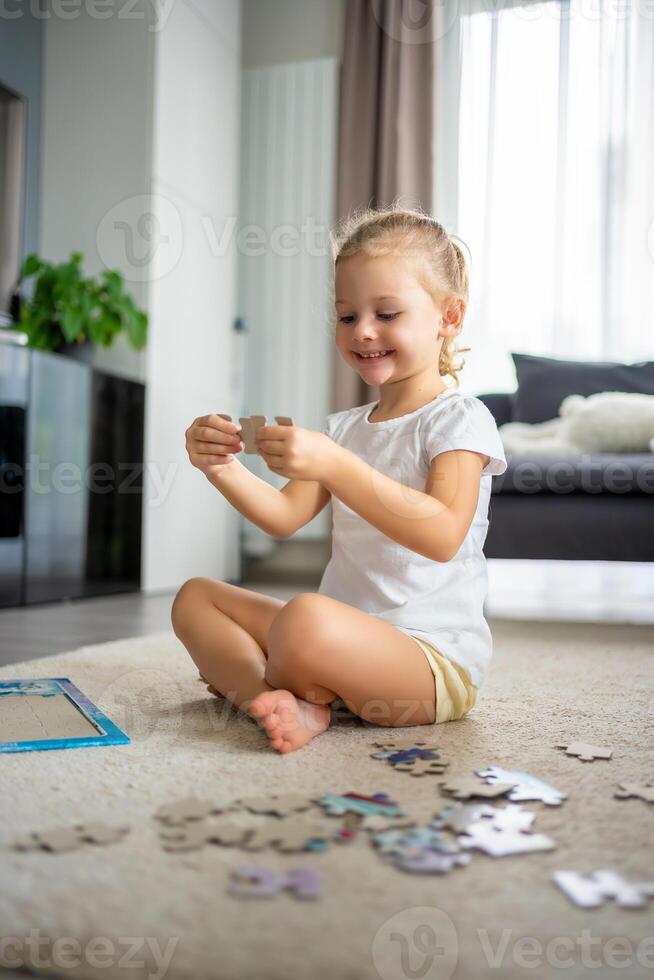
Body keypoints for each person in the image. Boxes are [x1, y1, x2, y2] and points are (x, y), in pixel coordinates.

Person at [171, 204, 507, 753]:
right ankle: (283, 699)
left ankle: (270, 685)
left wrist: (333, 463)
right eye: (347, 316)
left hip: (428, 663)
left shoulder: (459, 419)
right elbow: (283, 518)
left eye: (387, 313)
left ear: (449, 317)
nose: (363, 331)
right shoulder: (345, 429)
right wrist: (220, 466)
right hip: (337, 642)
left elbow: (444, 534)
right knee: (196, 599)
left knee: (302, 621)